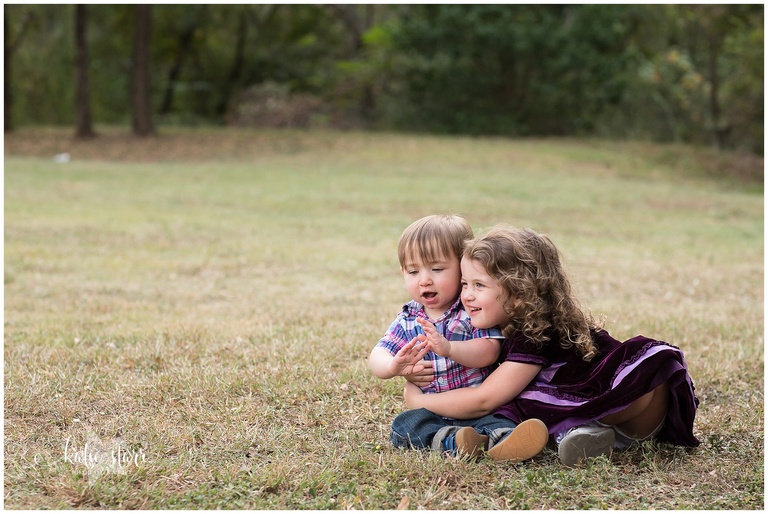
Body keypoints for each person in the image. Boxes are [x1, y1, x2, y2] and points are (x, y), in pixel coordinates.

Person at [402, 225, 700, 466]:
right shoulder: (500, 325)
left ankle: (581, 430)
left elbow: (484, 399)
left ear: (519, 293)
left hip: (632, 406)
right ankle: (587, 437)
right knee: (535, 411)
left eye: (479, 286)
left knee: (515, 407)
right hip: (621, 416)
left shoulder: (535, 333)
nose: (466, 296)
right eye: (465, 284)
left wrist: (420, 402)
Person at [370, 215, 549, 461]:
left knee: (502, 418)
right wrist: (393, 366)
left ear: (463, 267)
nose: (425, 279)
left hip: (477, 403)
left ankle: (507, 441)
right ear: (403, 272)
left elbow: (489, 351)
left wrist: (450, 348)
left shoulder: (470, 311)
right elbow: (379, 353)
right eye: (413, 271)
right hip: (433, 411)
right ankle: (455, 441)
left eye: (437, 269)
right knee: (404, 425)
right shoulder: (408, 318)